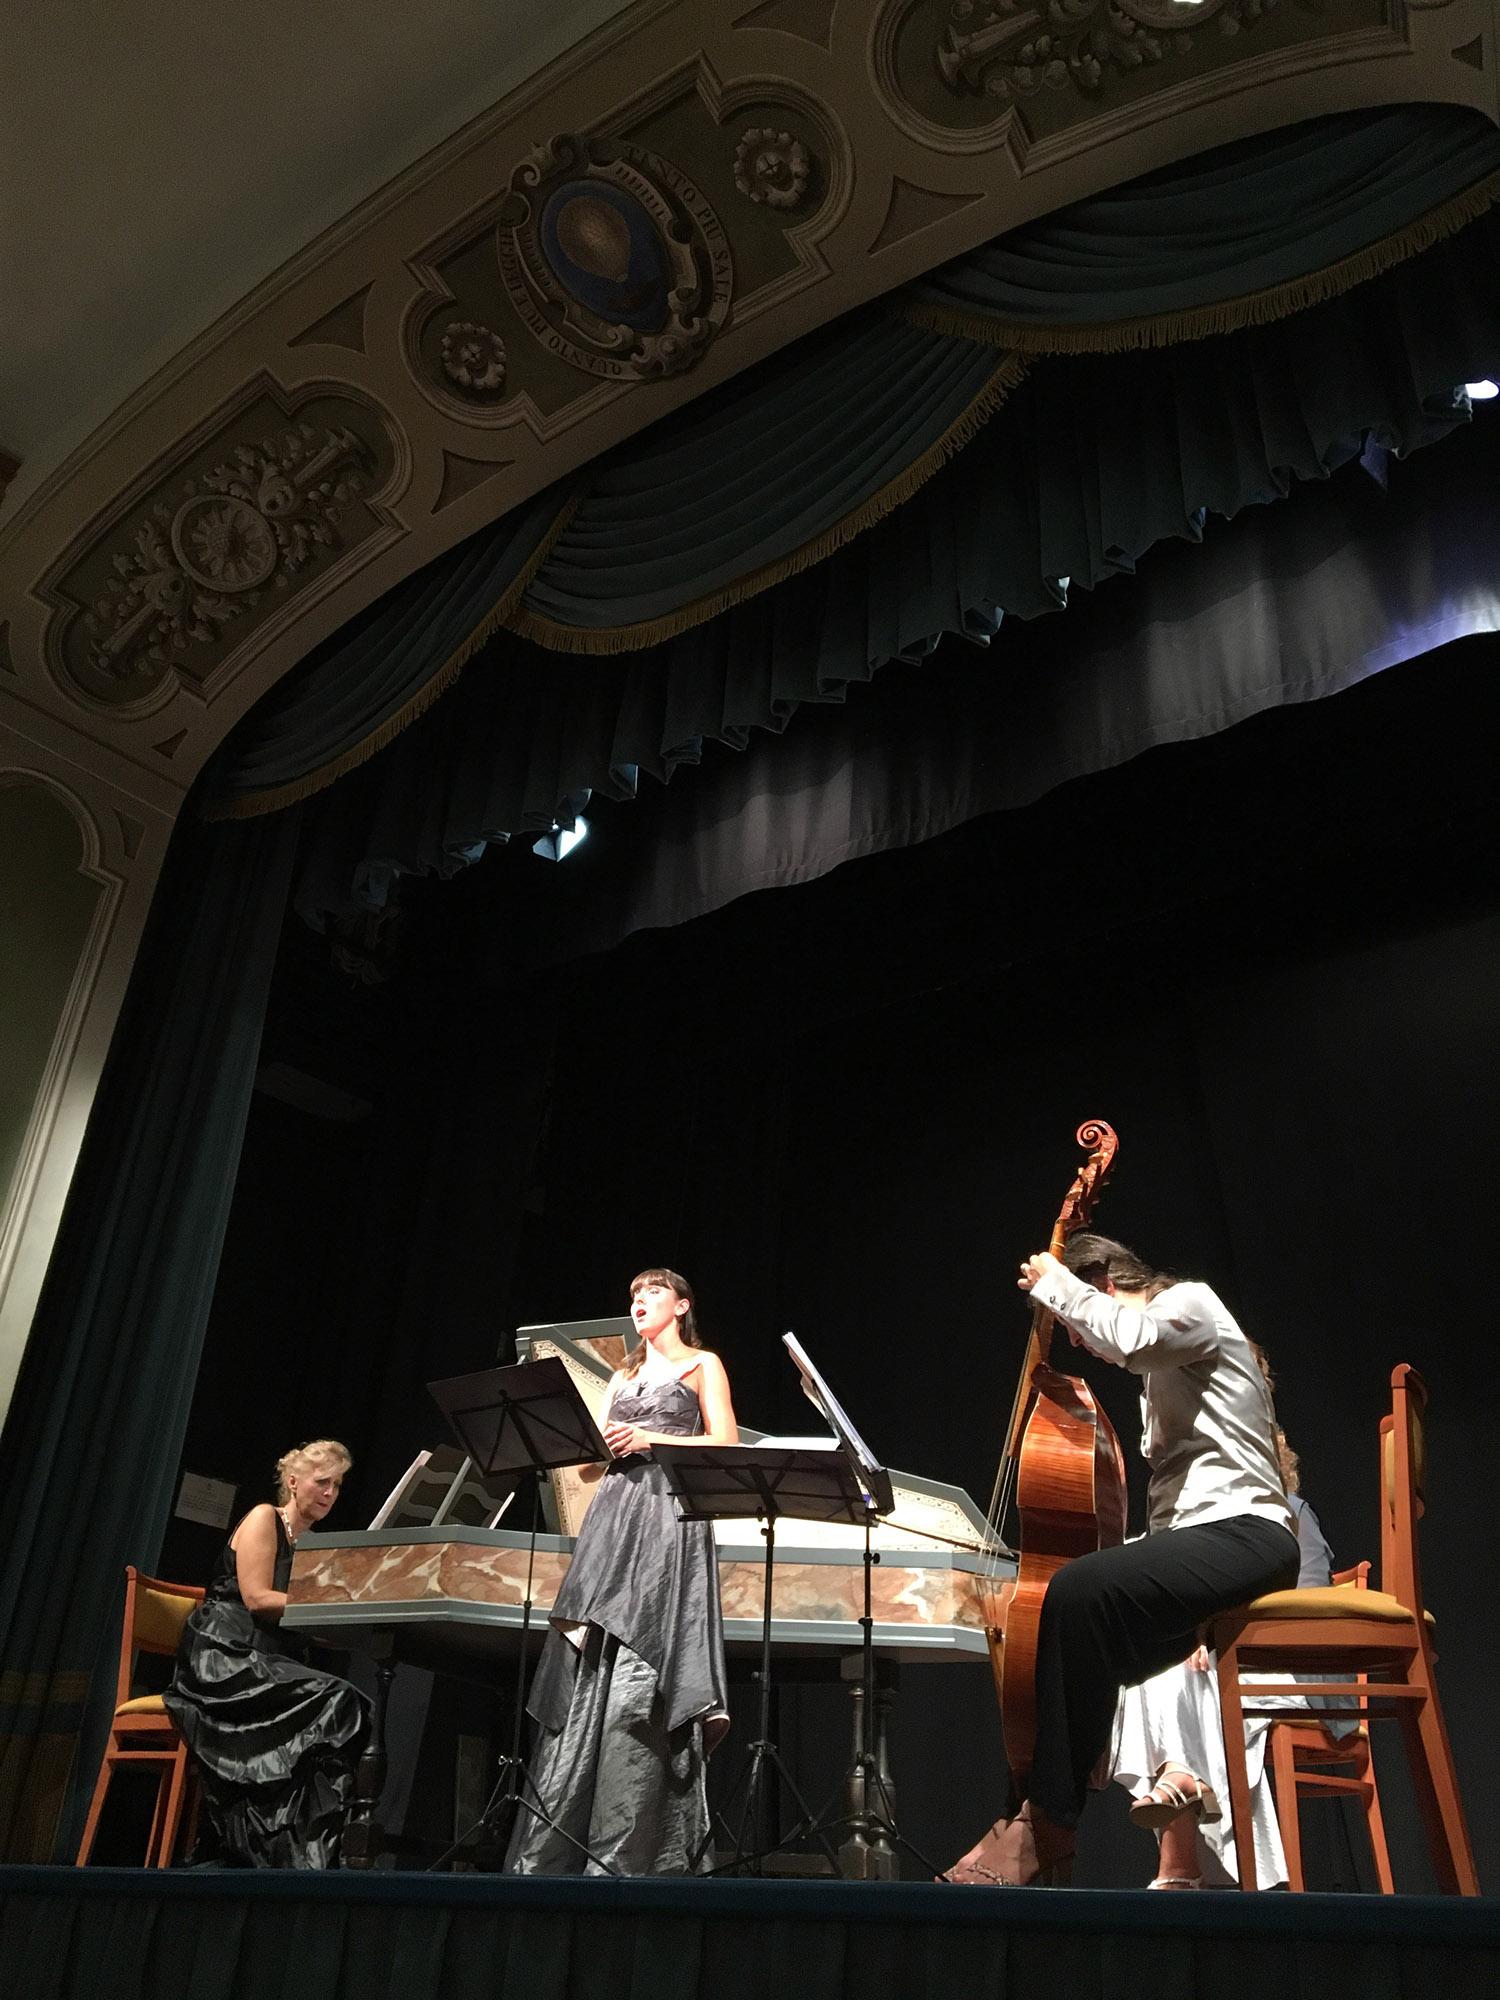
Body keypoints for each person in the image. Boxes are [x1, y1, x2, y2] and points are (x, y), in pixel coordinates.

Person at [943, 1233, 1300, 1887]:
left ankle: (1046, 1826)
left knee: (1078, 1593)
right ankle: (1031, 1816)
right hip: (1209, 1542)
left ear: (1103, 1280)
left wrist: (1055, 1282)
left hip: (1251, 1535)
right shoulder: (1162, 1374)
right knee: (1070, 1632)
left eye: (1076, 1324)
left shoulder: (1193, 1306)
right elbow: (1169, 1508)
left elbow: (1128, 1339)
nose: (1079, 1339)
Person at [506, 1266, 739, 1876]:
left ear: (682, 1305)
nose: (639, 1302)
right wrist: (594, 1447)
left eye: (652, 1293)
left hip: (668, 1512)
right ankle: (559, 1844)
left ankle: (633, 1846)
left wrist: (651, 1441)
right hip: (614, 1516)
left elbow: (727, 1441)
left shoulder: (703, 1363)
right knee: (591, 1655)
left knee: (644, 1659)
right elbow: (588, 1469)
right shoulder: (623, 1375)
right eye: (634, 1295)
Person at [1109, 1427, 1343, 1889]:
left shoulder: (1291, 1515)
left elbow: (1304, 1613)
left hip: (1287, 1669)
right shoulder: (1204, 1526)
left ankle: (1181, 1851)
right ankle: (1182, 1787)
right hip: (1223, 1673)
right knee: (1148, 1665)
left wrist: (1213, 1632)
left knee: (1180, 1669)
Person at [164, 1438, 369, 1868]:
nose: (330, 1493)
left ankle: (300, 1852)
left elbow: (304, 1622)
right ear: (293, 1481)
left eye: (337, 1486)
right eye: (322, 1482)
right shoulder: (264, 1518)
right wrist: (325, 1605)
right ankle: (281, 1853)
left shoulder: (311, 1543)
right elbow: (257, 1598)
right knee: (336, 1700)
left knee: (352, 1704)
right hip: (225, 1654)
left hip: (268, 1658)